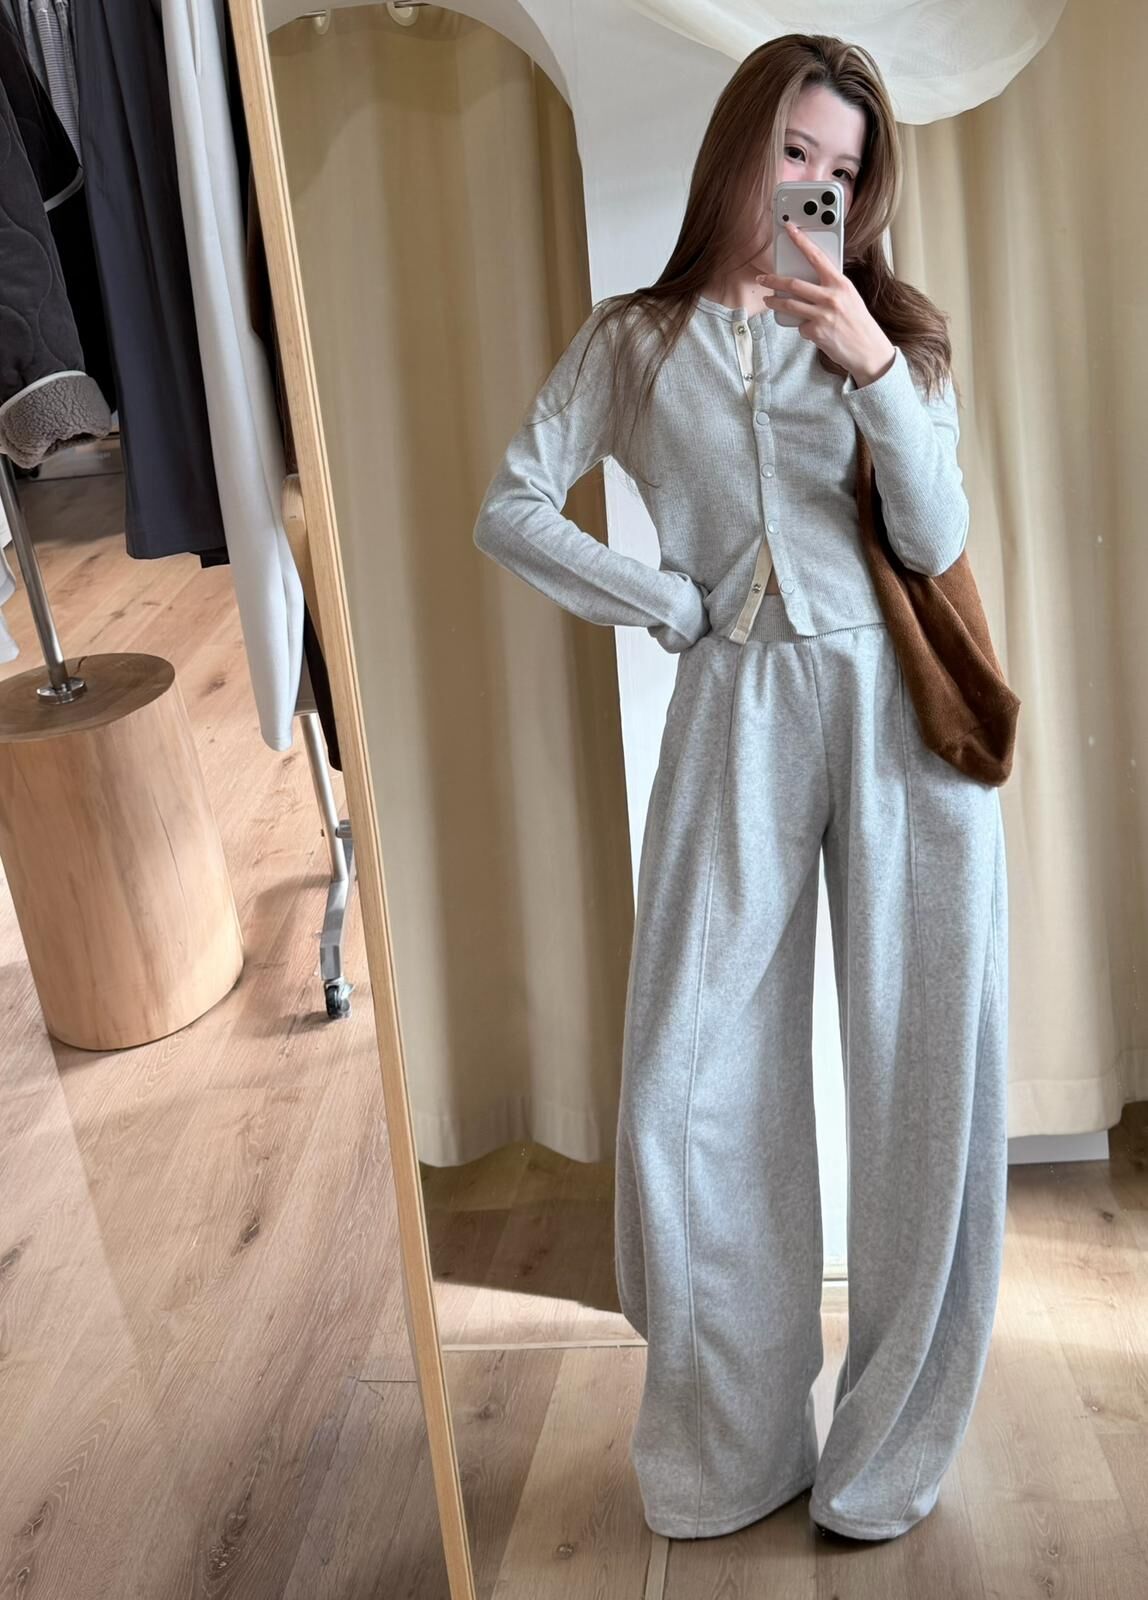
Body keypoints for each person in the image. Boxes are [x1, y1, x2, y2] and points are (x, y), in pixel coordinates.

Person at [472, 32, 1008, 1546]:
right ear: (740, 149)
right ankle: (732, 1444)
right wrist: (661, 600)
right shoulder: (635, 342)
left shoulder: (898, 334)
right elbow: (512, 504)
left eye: (843, 168)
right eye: (794, 151)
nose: (815, 185)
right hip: (735, 713)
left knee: (923, 1085)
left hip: (903, 720)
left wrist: (871, 364)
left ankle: (889, 1452)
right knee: (688, 1088)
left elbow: (936, 530)